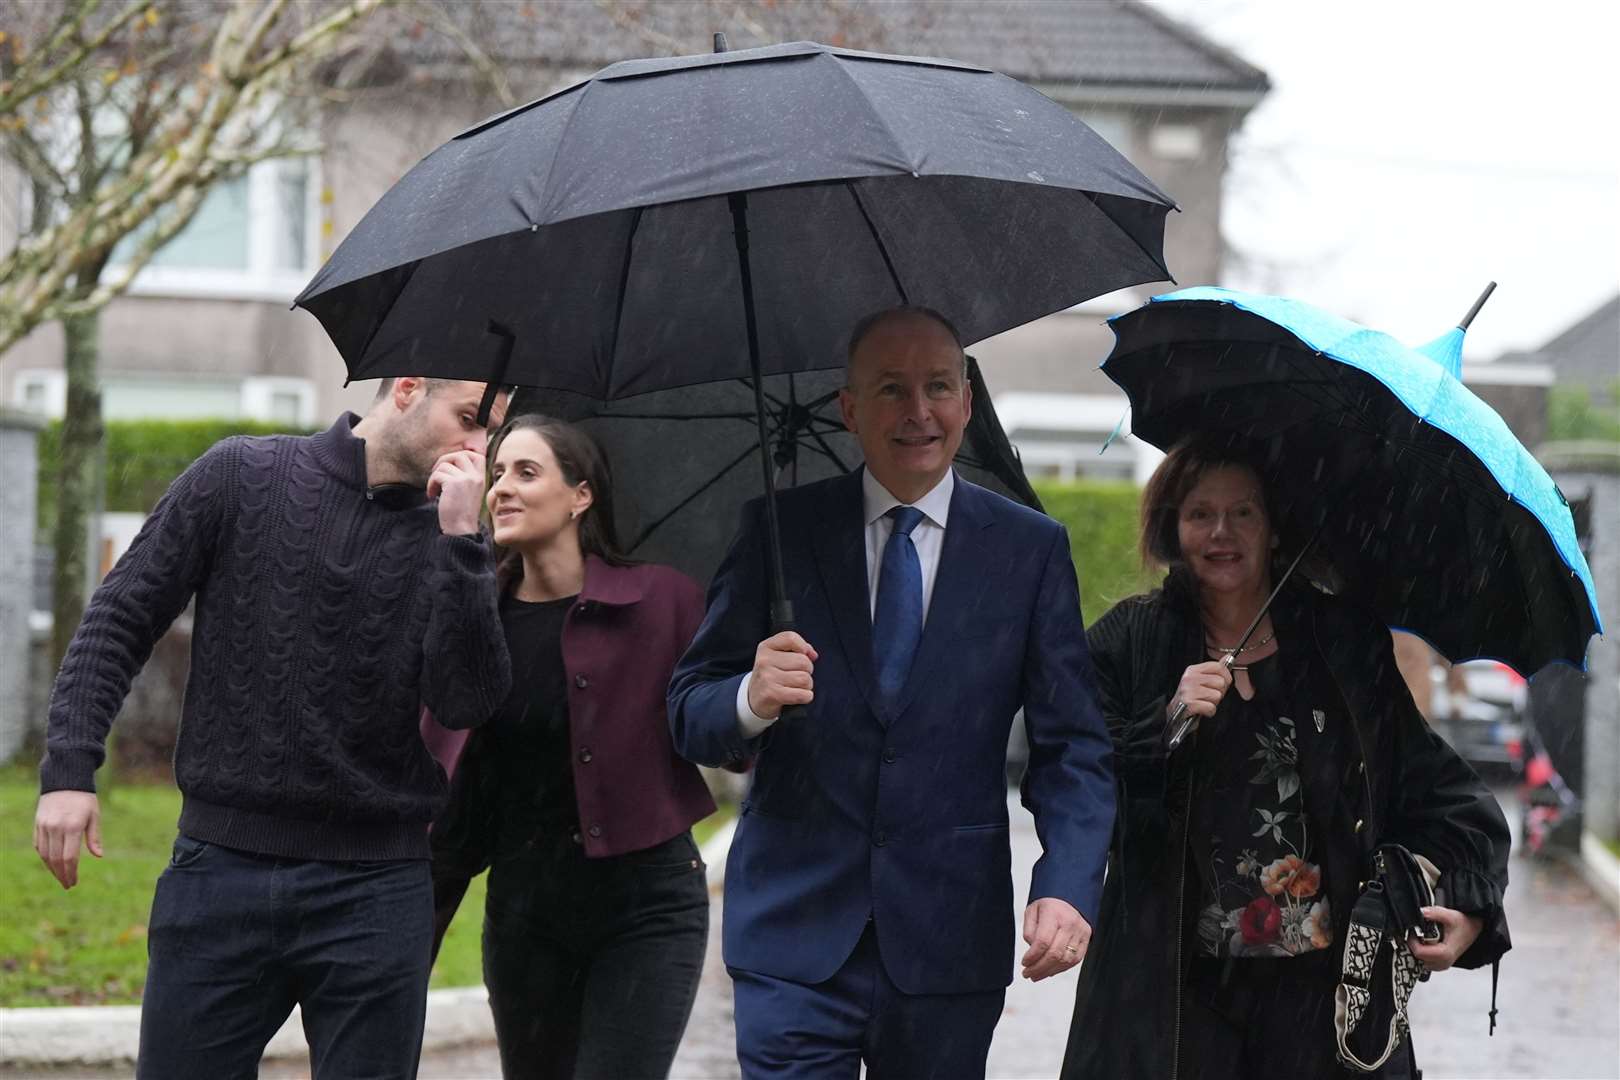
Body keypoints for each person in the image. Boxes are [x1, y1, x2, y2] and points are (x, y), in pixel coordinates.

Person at [669, 306, 1116, 1078]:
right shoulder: (779, 533)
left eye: (938, 386)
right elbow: (689, 710)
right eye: (890, 389)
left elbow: (1073, 742)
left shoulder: (1029, 551)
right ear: (849, 408)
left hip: (948, 941)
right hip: (794, 938)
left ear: (968, 402)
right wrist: (750, 697)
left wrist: (1068, 884)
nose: (918, 412)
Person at [33, 377, 513, 1079]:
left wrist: (464, 544)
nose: (479, 448)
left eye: (493, 432)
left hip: (378, 889)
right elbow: (120, 617)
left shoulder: (458, 536)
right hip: (221, 869)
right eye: (469, 420)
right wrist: (69, 769)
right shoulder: (239, 475)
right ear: (407, 389)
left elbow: (466, 700)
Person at [1060, 436, 1512, 1080]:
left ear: (1274, 527)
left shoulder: (1343, 646)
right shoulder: (1129, 643)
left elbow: (1440, 793)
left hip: (1318, 1001)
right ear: (1173, 526)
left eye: (1243, 512)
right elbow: (1074, 778)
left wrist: (1471, 909)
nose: (1222, 532)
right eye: (1199, 513)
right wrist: (1161, 725)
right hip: (1171, 994)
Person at [427, 414, 715, 1080]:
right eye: (497, 474)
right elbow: (445, 761)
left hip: (647, 908)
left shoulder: (663, 600)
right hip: (526, 915)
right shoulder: (479, 616)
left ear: (580, 495)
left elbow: (724, 736)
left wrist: (757, 697)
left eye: (526, 473)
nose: (502, 488)